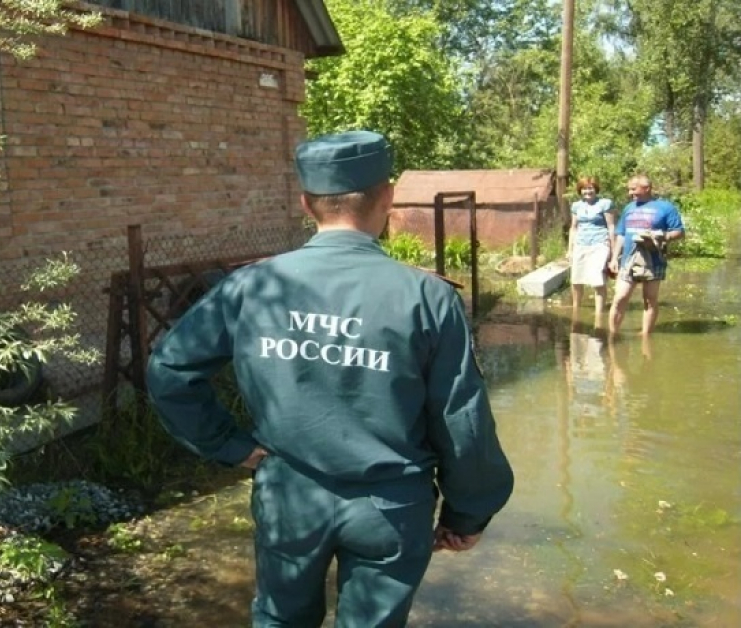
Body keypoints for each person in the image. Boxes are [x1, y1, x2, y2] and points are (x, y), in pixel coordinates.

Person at [146, 130, 514, 627]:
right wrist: (466, 514)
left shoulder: (254, 285)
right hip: (391, 507)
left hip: (290, 495)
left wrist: (230, 445)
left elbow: (170, 370)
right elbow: (462, 420)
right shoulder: (427, 297)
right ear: (387, 195)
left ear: (305, 203)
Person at [608, 174, 685, 335]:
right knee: (619, 298)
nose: (630, 193)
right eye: (629, 190)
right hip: (628, 260)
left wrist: (661, 236)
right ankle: (612, 335)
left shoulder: (666, 207)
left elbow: (679, 232)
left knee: (650, 300)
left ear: (647, 188)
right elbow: (621, 234)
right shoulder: (629, 208)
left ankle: (645, 336)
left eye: (633, 189)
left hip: (653, 260)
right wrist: (614, 258)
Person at [567, 176, 616, 326]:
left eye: (590, 188)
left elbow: (611, 227)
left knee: (597, 279)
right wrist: (570, 249)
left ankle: (599, 315)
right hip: (581, 244)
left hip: (599, 244)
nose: (588, 191)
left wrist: (613, 253)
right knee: (576, 279)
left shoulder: (605, 204)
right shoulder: (576, 206)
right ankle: (576, 309)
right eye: (584, 188)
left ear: (596, 189)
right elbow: (574, 227)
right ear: (580, 190)